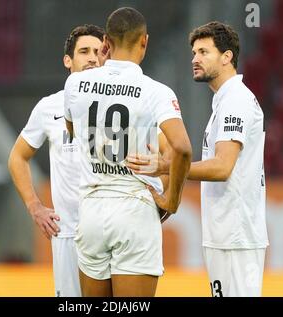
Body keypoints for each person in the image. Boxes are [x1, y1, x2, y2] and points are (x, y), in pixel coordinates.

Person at [126, 21, 269, 297]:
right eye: (194, 52)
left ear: (227, 57)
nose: (195, 58)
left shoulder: (236, 100)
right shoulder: (224, 101)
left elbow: (222, 166)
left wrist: (169, 166)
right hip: (225, 234)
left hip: (236, 236)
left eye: (204, 52)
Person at [64, 7, 192, 297]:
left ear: (105, 42)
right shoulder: (156, 91)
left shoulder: (75, 83)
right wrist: (171, 200)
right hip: (135, 207)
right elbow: (182, 148)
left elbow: (73, 131)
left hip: (92, 209)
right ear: (144, 41)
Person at [8, 24, 105, 297]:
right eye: (84, 51)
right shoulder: (49, 106)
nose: (92, 58)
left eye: (98, 51)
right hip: (67, 233)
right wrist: (34, 206)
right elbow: (17, 157)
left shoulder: (119, 104)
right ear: (68, 60)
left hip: (109, 229)